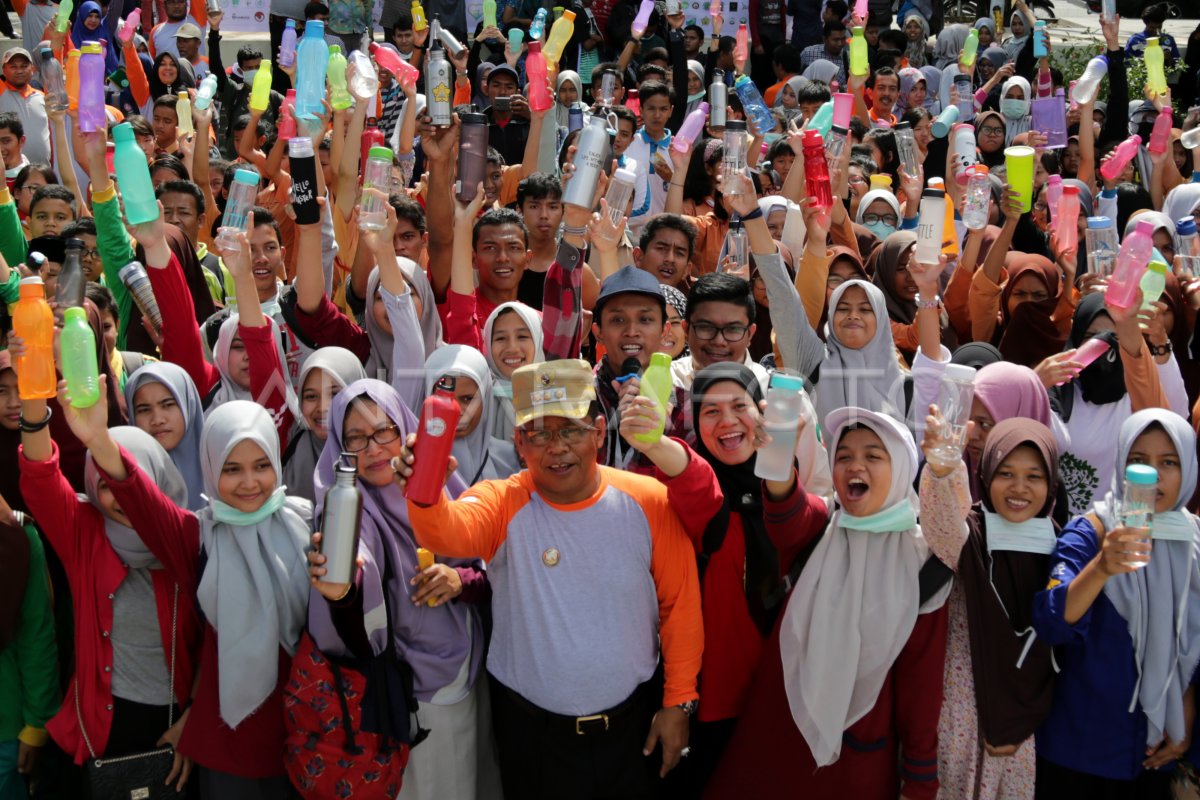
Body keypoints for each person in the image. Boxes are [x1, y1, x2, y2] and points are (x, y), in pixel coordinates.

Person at [398, 358, 703, 800]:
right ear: (519, 442)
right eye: (539, 433)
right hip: (531, 735)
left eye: (571, 430)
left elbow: (680, 608)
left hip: (633, 728)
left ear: (599, 433)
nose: (555, 447)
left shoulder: (650, 501)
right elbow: (445, 529)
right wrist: (424, 488)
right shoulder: (503, 501)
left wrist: (679, 703)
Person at [705, 407, 951, 799]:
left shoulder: (923, 565)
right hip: (776, 741)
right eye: (844, 456)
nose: (855, 466)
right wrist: (780, 461)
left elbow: (920, 692)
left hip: (855, 761)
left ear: (903, 467)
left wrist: (920, 784)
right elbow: (788, 517)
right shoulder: (823, 525)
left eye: (873, 455)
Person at [307, 379, 498, 799]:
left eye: (384, 431)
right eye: (355, 438)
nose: (373, 448)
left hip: (471, 668)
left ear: (405, 429)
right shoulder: (352, 509)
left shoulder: (440, 488)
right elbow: (356, 573)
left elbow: (492, 572)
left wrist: (459, 580)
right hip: (418, 693)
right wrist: (342, 589)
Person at [1033, 409, 1200, 795]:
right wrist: (1102, 568)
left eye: (1169, 462)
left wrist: (1186, 705)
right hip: (1080, 751)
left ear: (1189, 468)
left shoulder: (1191, 542)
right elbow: (1052, 621)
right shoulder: (1090, 532)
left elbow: (1190, 641)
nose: (1153, 475)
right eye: (1138, 462)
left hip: (1154, 752)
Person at [920, 416, 1060, 800]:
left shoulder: (1059, 543)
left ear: (1051, 482)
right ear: (986, 472)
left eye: (1034, 476)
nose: (1019, 488)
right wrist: (943, 471)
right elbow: (944, 525)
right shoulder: (973, 532)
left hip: (1024, 718)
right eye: (1006, 473)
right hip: (962, 713)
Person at [0, 52, 48, 166]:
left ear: (32, 68)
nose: (19, 71)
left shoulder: (42, 96)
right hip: (7, 173)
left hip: (42, 172)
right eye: (13, 66)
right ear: (4, 70)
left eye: (24, 66)